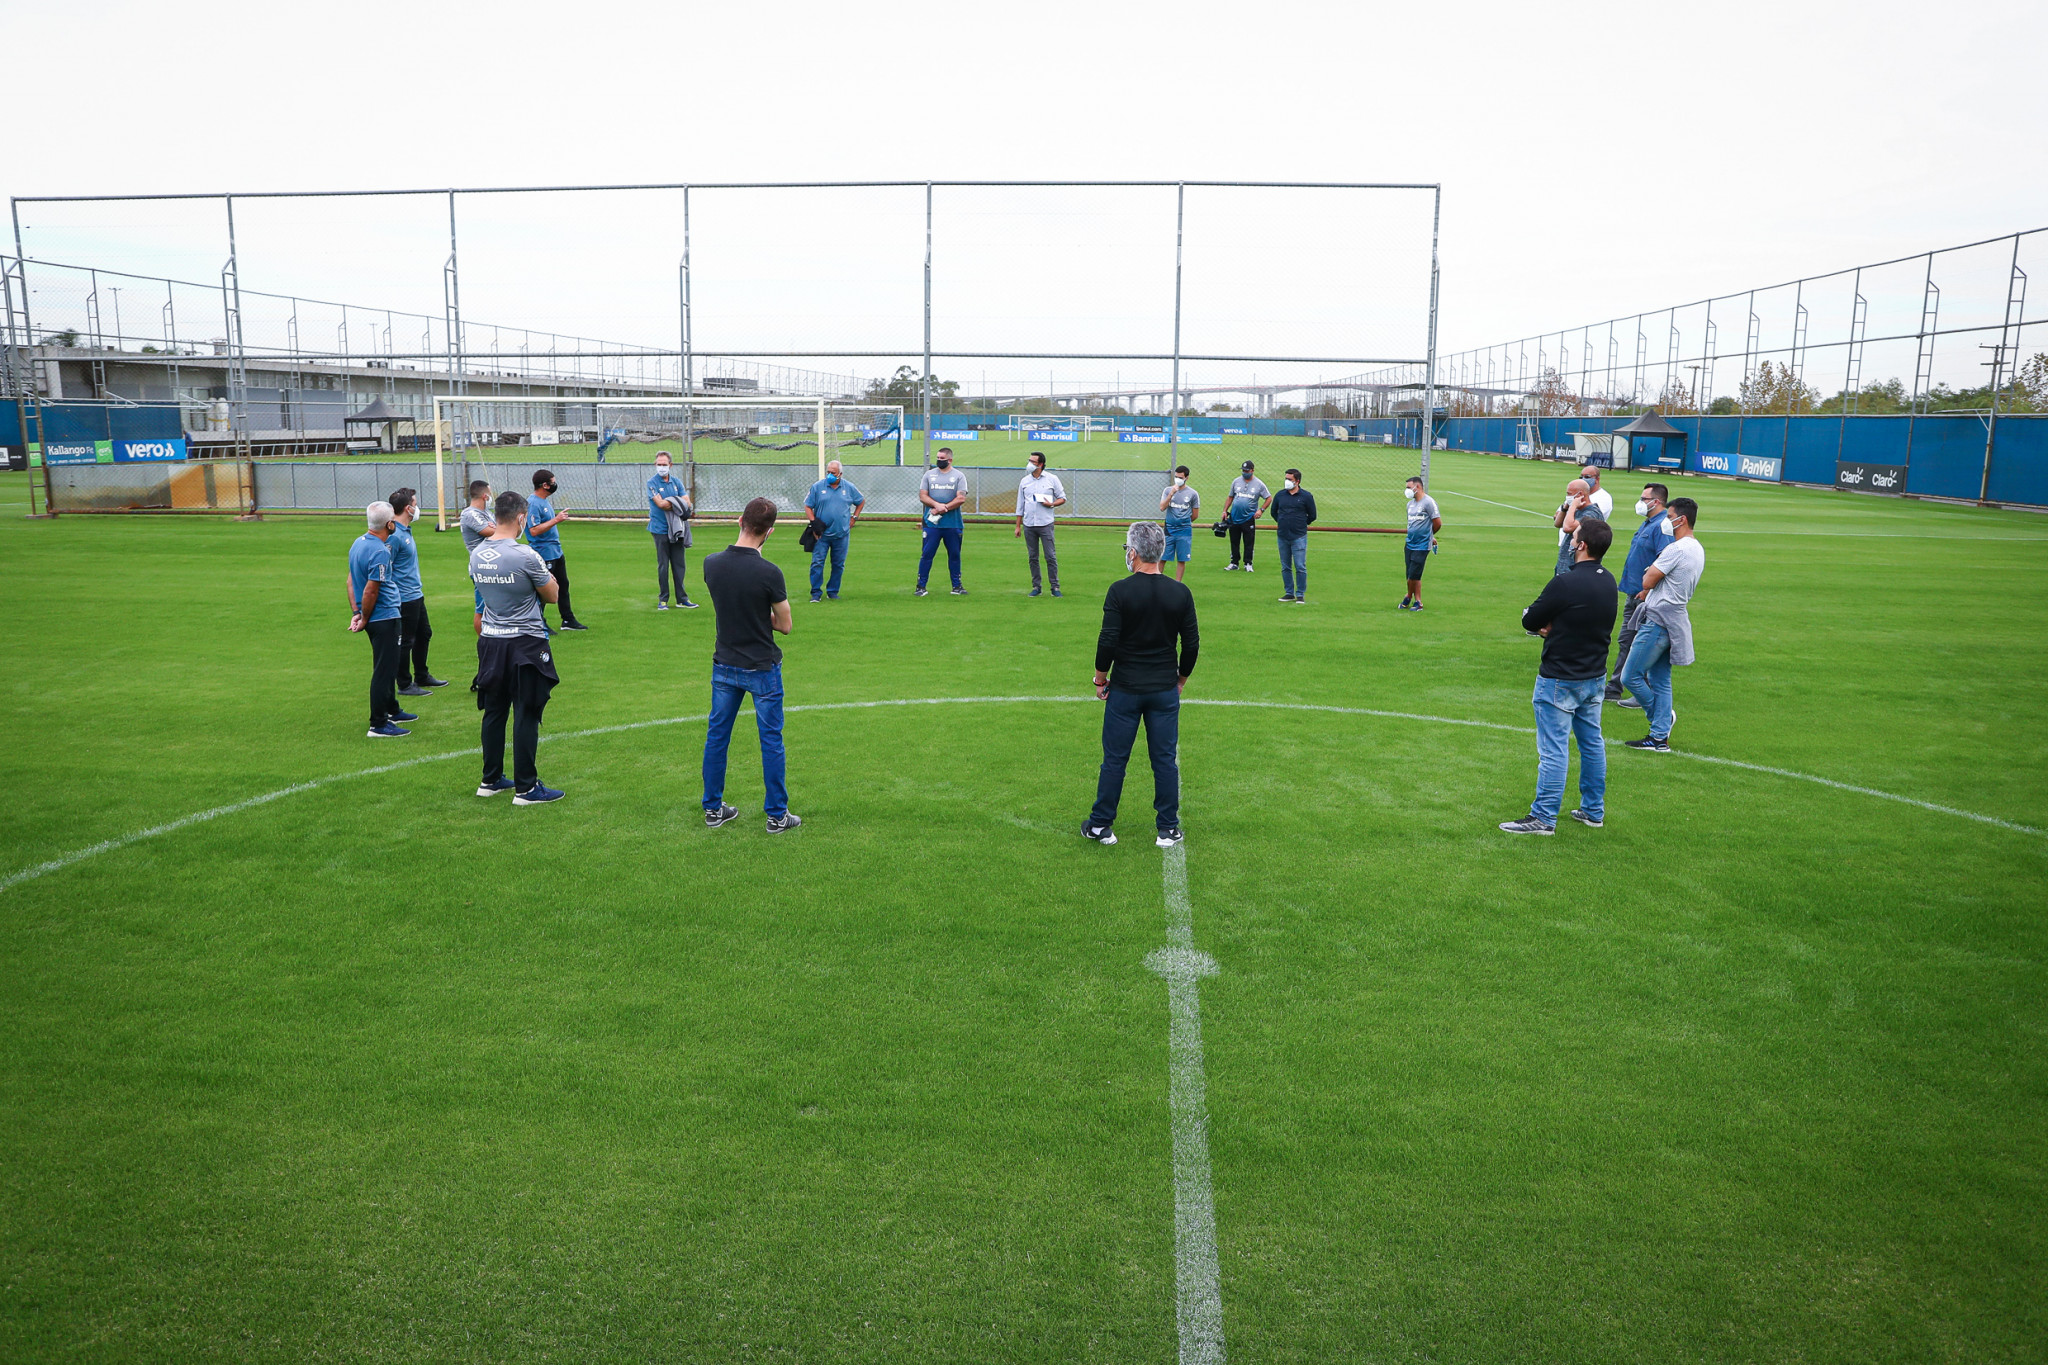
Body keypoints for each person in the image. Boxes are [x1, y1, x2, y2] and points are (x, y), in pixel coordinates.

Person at [1084, 521, 1200, 849]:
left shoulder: (1120, 590)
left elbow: (1107, 640)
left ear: (1133, 552)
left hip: (1125, 689)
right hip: (1163, 689)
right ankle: (1168, 828)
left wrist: (1100, 678)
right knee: (1163, 759)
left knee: (1115, 759)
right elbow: (1191, 644)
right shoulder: (1180, 592)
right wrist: (1180, 680)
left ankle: (1101, 825)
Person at [1499, 518, 1618, 836]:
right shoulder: (1608, 581)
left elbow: (1531, 618)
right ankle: (1594, 811)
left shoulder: (1564, 583)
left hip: (1560, 678)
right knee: (1592, 744)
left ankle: (1543, 818)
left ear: (1581, 545)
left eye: (1574, 536)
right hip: (1594, 676)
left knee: (1553, 749)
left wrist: (1539, 623)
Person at [700, 497, 801, 833]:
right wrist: (760, 614)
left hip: (725, 665)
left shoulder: (711, 564)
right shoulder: (769, 572)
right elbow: (785, 624)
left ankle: (713, 810)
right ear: (769, 532)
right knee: (771, 740)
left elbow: (729, 604)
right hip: (761, 667)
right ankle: (777, 815)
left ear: (739, 520)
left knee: (717, 737)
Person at [470, 490, 565, 804]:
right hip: (524, 642)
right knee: (526, 711)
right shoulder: (525, 555)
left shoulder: (476, 553)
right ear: (522, 517)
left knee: (494, 712)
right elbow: (552, 595)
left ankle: (491, 779)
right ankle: (526, 787)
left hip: (491, 641)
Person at [1620, 496, 1705, 753]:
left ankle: (1662, 719)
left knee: (1630, 676)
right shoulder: (1697, 547)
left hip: (1658, 620)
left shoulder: (1676, 549)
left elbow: (1648, 580)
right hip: (1674, 619)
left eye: (1669, 518)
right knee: (1660, 679)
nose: (1666, 523)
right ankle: (1658, 738)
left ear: (1682, 520)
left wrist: (1649, 578)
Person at [347, 501, 414, 739]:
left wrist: (356, 612)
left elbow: (350, 581)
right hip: (383, 616)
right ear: (389, 524)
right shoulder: (380, 551)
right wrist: (364, 617)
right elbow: (370, 590)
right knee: (384, 670)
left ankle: (392, 710)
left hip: (375, 616)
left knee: (387, 664)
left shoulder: (358, 543)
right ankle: (378, 724)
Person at [1606, 482, 1675, 704]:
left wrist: (1647, 590)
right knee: (1627, 640)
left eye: (1644, 499)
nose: (1640, 503)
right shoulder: (1649, 523)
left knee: (1640, 643)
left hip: (1646, 597)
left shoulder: (1662, 526)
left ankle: (1639, 689)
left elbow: (1664, 561)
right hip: (1634, 593)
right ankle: (1615, 686)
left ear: (1657, 502)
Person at [387, 488, 447, 696]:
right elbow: (385, 567)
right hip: (403, 597)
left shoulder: (405, 531)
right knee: (406, 640)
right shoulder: (394, 536)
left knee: (425, 634)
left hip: (415, 594)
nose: (417, 506)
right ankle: (404, 684)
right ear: (407, 508)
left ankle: (422, 675)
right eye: (415, 502)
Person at [525, 469, 586, 631]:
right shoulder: (533, 504)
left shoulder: (544, 501)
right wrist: (556, 520)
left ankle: (568, 620)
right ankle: (538, 622)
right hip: (543, 552)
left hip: (555, 551)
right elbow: (534, 530)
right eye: (552, 482)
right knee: (544, 587)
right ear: (544, 485)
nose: (554, 485)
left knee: (563, 585)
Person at [802, 459, 865, 603]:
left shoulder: (849, 487)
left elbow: (861, 501)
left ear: (840, 474)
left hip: (841, 534)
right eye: (828, 472)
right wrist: (813, 522)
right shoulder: (817, 487)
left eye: (833, 473)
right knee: (817, 562)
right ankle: (816, 593)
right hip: (821, 535)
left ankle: (833, 591)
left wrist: (854, 517)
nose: (830, 475)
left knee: (838, 564)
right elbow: (807, 505)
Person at [648, 450, 698, 610]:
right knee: (663, 565)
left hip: (677, 529)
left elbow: (688, 503)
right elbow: (660, 504)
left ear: (670, 465)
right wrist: (677, 503)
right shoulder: (652, 483)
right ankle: (663, 599)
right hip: (660, 529)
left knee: (679, 564)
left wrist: (672, 502)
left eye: (664, 464)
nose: (661, 467)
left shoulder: (677, 482)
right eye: (659, 464)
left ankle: (682, 599)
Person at [916, 447, 968, 596]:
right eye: (937, 458)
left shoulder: (959, 476)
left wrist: (943, 508)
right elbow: (923, 496)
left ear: (950, 460)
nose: (939, 461)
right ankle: (921, 586)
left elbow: (961, 498)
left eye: (942, 459)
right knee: (927, 554)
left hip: (953, 524)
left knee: (954, 555)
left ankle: (957, 586)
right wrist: (936, 505)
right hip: (932, 525)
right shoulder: (929, 475)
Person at [1014, 450, 1067, 597]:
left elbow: (1062, 498)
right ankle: (1036, 586)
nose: (1029, 464)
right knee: (1032, 557)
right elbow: (1020, 504)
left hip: (1045, 523)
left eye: (1033, 462)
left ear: (1041, 464)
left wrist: (1051, 504)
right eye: (1029, 460)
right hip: (1029, 524)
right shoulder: (1024, 481)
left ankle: (1055, 587)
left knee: (1050, 556)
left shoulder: (1052, 479)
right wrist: (1018, 526)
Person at [1269, 468, 1317, 603]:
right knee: (1285, 566)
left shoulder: (1306, 496)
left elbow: (1312, 515)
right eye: (1286, 478)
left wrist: (1300, 524)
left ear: (1297, 481)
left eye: (1289, 479)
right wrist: (1283, 522)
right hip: (1283, 536)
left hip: (1299, 536)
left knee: (1300, 566)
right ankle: (1289, 592)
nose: (1287, 481)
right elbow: (1274, 512)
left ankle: (1300, 594)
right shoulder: (1280, 495)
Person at [459, 479, 494, 634]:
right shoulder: (471, 514)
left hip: (494, 564)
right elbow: (492, 531)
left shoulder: (487, 513)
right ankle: (484, 642)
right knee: (482, 608)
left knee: (495, 606)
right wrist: (497, 528)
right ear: (485, 496)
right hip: (481, 566)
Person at [1223, 460, 1272, 571]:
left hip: (1248, 518)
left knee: (1249, 541)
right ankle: (1234, 562)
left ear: (1252, 470)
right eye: (1243, 470)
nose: (1245, 472)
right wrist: (1225, 511)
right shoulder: (1236, 481)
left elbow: (1269, 498)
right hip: (1234, 517)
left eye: (1247, 470)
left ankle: (1248, 563)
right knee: (1234, 541)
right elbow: (1230, 497)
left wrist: (1261, 510)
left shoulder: (1259, 484)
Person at [1553, 477, 1606, 576]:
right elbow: (1558, 524)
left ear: (1580, 494)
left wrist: (1573, 506)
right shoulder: (1576, 509)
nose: (1567, 497)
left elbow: (1567, 528)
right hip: (1566, 565)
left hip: (1577, 568)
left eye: (1569, 494)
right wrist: (1565, 508)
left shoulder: (1592, 513)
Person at [1401, 476, 1440, 610]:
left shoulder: (1429, 502)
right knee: (1411, 575)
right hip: (1409, 543)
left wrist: (1430, 536)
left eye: (1408, 487)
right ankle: (1415, 600)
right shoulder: (1410, 505)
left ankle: (1410, 597)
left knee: (1413, 574)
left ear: (1417, 487)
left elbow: (1437, 523)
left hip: (1422, 545)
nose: (1406, 490)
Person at [1158, 465, 1200, 581]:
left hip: (1184, 531)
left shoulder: (1193, 494)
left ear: (1187, 478)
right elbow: (1162, 507)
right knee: (1162, 557)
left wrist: (1183, 521)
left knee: (1182, 559)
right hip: (1169, 530)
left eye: (1180, 477)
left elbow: (1195, 515)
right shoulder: (1167, 490)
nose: (1178, 479)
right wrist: (1171, 494)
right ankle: (1156, 581)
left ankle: (1178, 584)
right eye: (1176, 477)